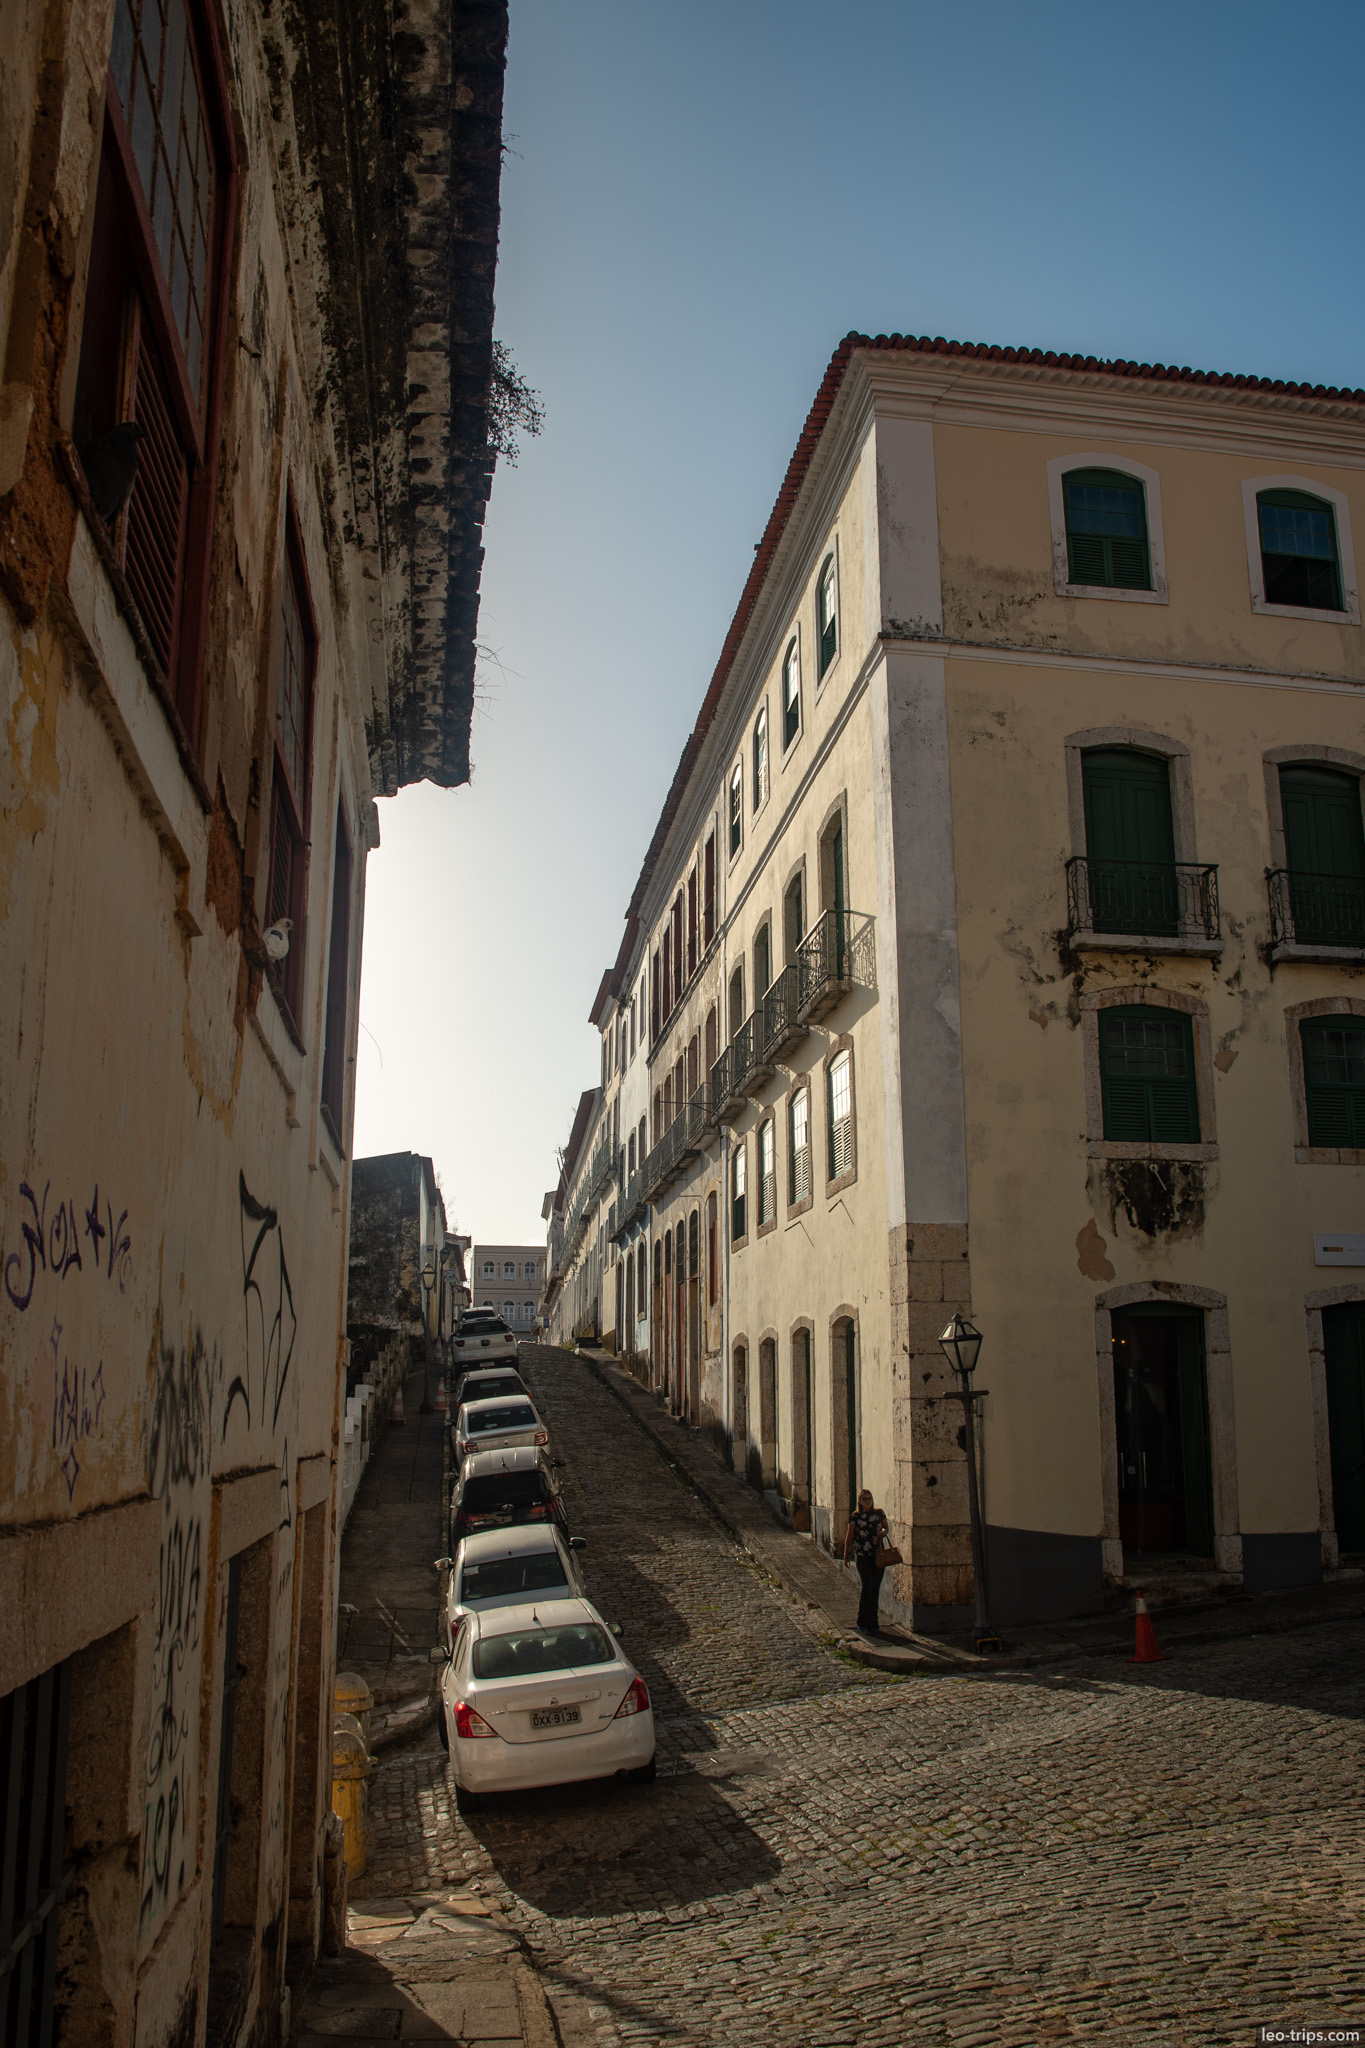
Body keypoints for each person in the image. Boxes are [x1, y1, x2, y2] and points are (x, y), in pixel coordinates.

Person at [843, 1488, 890, 1636]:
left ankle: (873, 1622)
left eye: (869, 1498)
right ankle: (862, 1621)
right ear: (859, 1501)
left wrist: (884, 1532)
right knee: (867, 1586)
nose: (867, 1501)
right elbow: (849, 1536)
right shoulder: (855, 1517)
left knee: (875, 1589)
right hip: (862, 1555)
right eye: (864, 1499)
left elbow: (886, 1527)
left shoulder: (879, 1513)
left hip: (877, 1556)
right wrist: (846, 1553)